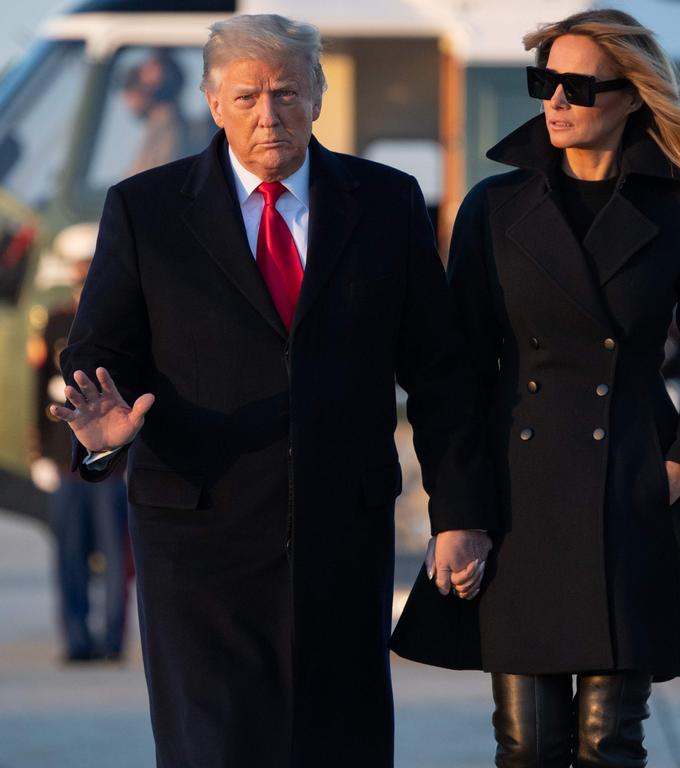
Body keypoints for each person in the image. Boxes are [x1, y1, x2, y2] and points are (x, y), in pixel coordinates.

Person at [51, 14, 494, 768]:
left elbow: (440, 373)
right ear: (212, 101)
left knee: (338, 745)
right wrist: (100, 438)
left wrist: (461, 514)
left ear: (317, 96)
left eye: (287, 91)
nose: (269, 112)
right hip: (198, 542)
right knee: (215, 748)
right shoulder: (145, 209)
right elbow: (100, 352)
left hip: (340, 538)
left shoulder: (387, 205)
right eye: (248, 94)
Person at [391, 9, 680, 767]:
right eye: (544, 82)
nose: (555, 102)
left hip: (629, 499)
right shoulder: (493, 211)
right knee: (528, 746)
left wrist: (679, 464)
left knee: (608, 743)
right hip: (517, 499)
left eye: (576, 86)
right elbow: (455, 375)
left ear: (631, 95)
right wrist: (457, 513)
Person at [30, 249, 129, 663]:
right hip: (64, 461)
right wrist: (37, 452)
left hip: (111, 465)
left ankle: (111, 641)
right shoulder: (53, 323)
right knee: (69, 555)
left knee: (114, 556)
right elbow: (37, 390)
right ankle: (76, 640)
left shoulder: (121, 326)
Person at [120, 49, 190, 176]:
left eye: (134, 83)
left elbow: (151, 184)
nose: (125, 95)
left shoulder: (167, 128)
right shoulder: (159, 125)